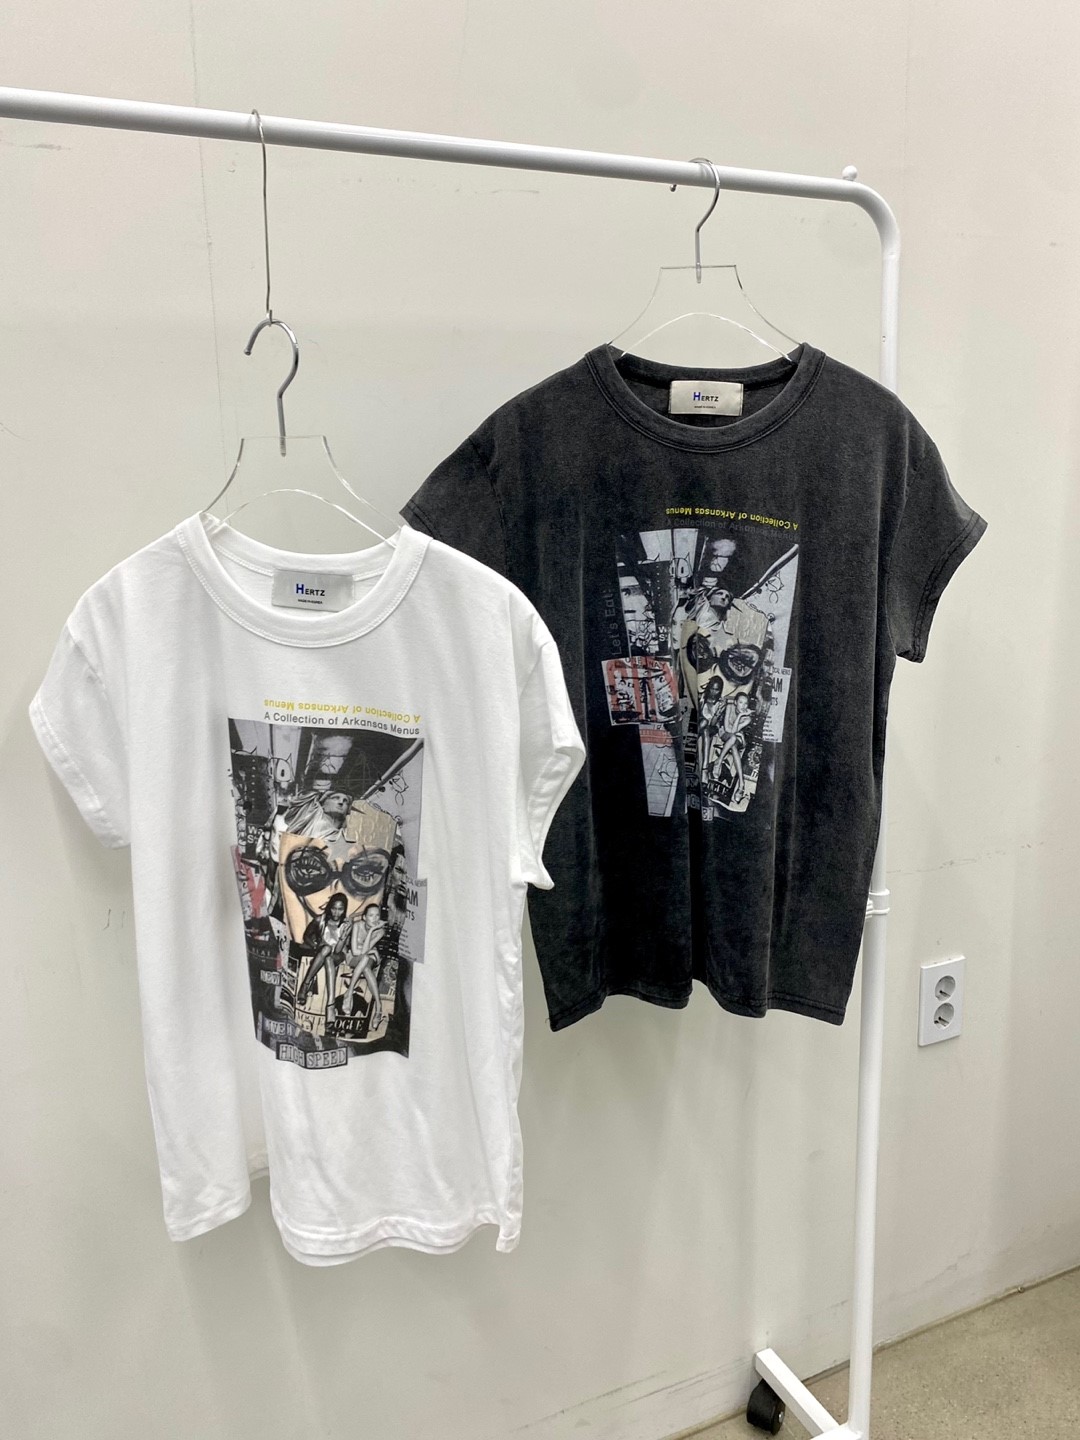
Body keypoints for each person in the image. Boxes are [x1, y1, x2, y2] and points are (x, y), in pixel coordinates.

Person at [296, 893, 352, 1009]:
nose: (336, 912)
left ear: (344, 909)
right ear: (330, 907)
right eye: (334, 908)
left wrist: (345, 934)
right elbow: (306, 936)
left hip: (338, 954)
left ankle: (305, 984)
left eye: (340, 909)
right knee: (326, 949)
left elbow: (341, 949)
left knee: (328, 950)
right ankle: (306, 985)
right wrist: (315, 946)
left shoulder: (346, 924)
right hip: (323, 952)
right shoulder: (320, 920)